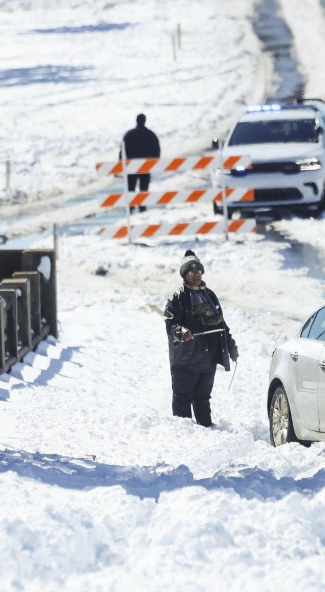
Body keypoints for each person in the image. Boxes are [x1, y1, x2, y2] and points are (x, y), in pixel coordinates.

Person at [164, 250, 238, 428]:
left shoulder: (210, 296)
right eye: (191, 270)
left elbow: (221, 325)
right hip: (185, 360)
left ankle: (206, 429)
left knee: (203, 398)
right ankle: (183, 436)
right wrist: (181, 332)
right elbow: (171, 324)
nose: (196, 273)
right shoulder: (177, 298)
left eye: (198, 269)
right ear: (184, 275)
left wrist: (231, 346)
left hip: (208, 358)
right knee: (182, 399)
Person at [121, 113, 160, 212]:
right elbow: (156, 149)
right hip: (145, 165)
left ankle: (131, 206)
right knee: (144, 186)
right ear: (145, 120)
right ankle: (142, 206)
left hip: (131, 165)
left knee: (131, 186)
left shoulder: (129, 134)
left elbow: (122, 150)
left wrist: (121, 164)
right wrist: (154, 162)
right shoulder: (150, 134)